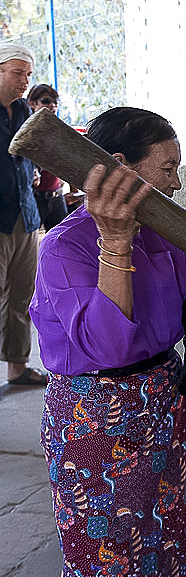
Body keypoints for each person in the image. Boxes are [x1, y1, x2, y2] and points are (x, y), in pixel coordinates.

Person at [30, 106, 186, 576]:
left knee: (176, 534)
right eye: (167, 169)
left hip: (162, 411)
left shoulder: (163, 235)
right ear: (123, 166)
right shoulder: (66, 247)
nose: (174, 183)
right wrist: (115, 242)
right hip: (96, 426)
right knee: (115, 551)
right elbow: (108, 347)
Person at [0, 44, 45, 386]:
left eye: (28, 74)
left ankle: (17, 366)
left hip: (25, 216)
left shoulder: (26, 112)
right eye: (18, 73)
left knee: (21, 294)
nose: (25, 81)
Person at [26, 84, 71, 230]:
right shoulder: (25, 131)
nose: (52, 105)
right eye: (46, 101)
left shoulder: (58, 129)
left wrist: (73, 188)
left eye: (55, 102)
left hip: (56, 196)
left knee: (60, 239)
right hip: (34, 197)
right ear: (32, 104)